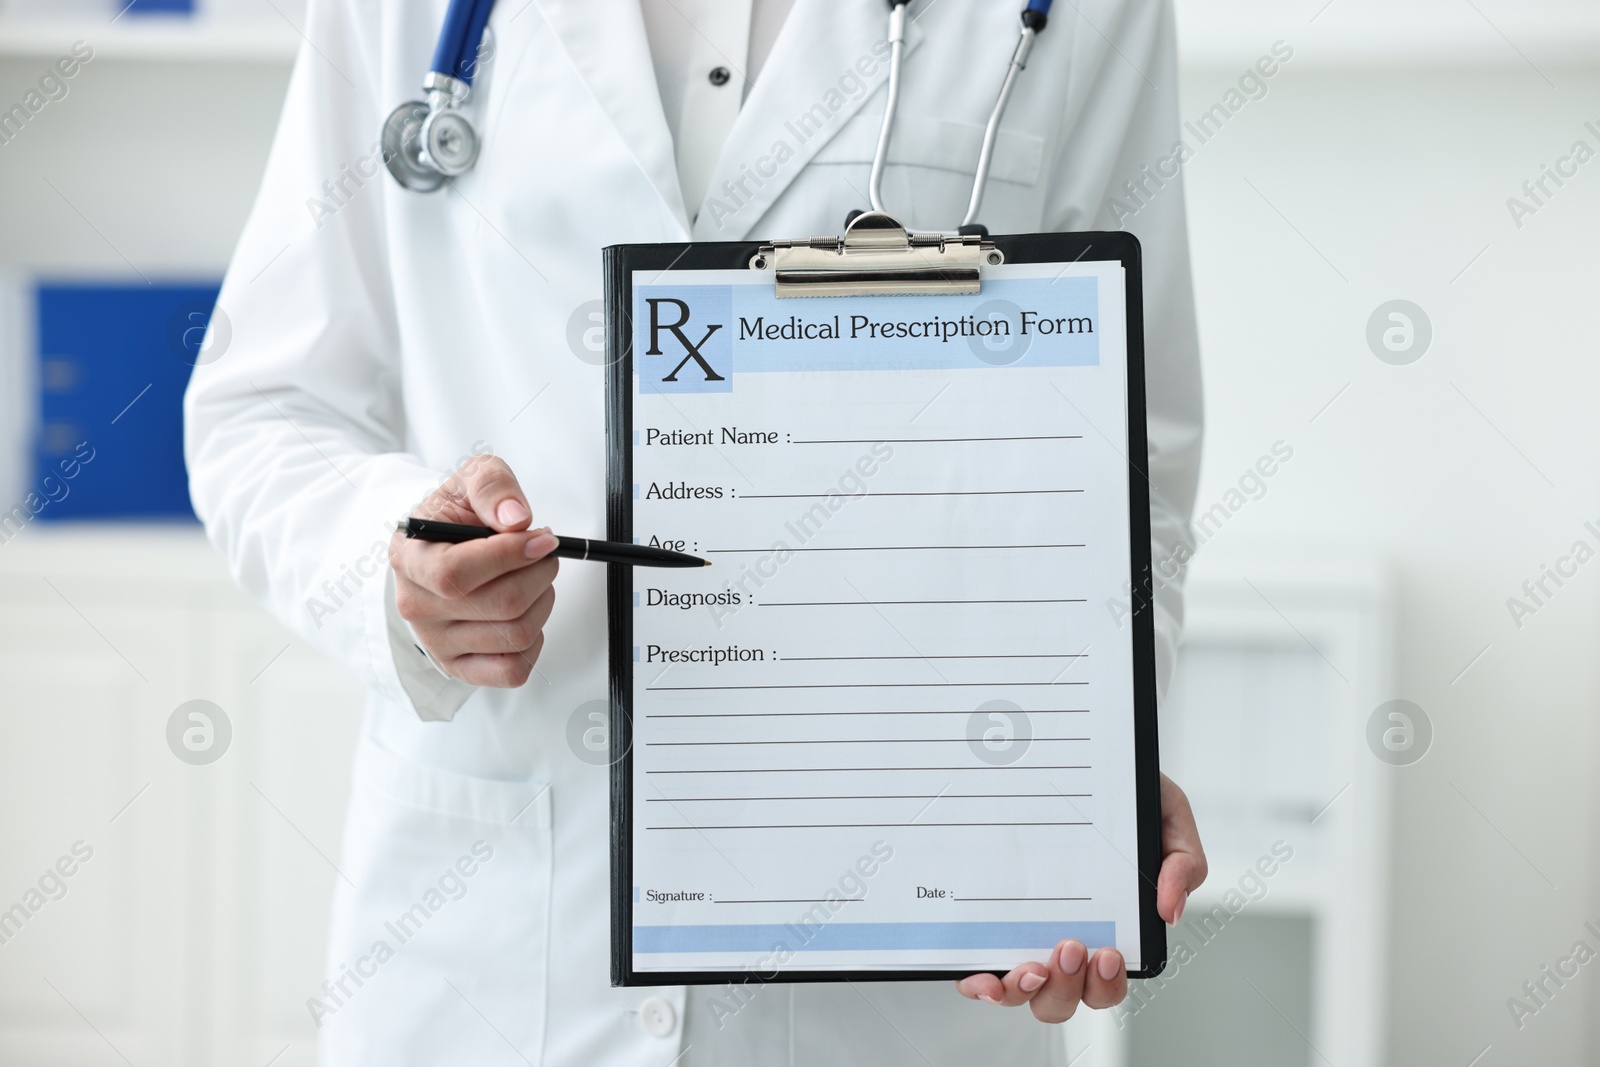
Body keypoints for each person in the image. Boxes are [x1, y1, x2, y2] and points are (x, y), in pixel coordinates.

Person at [185, 0, 1207, 1062]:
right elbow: (264, 409)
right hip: (490, 941)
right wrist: (400, 564)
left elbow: (1132, 451)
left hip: (896, 975)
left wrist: (1093, 754)